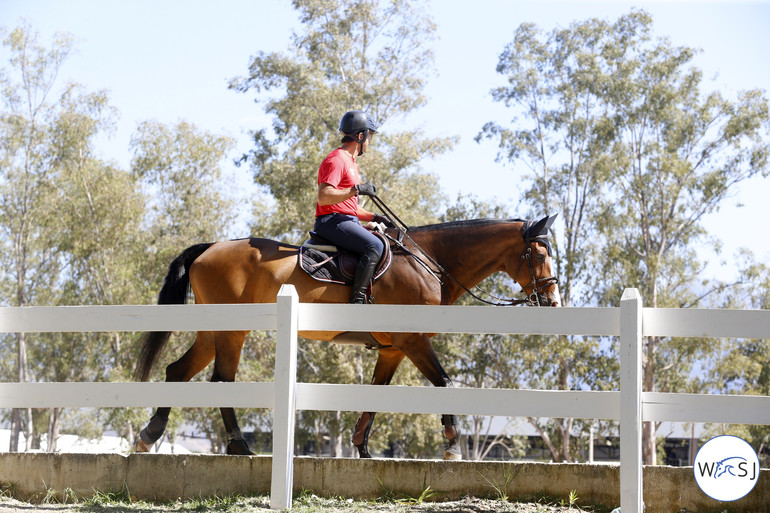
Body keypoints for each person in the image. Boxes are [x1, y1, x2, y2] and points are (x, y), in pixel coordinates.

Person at [314, 110, 389, 304]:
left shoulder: (351, 163)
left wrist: (374, 217)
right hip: (331, 222)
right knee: (375, 245)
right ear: (360, 135)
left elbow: (348, 206)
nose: (369, 142)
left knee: (384, 240)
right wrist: (356, 189)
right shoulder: (337, 159)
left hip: (345, 219)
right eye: (369, 136)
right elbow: (324, 197)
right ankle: (357, 301)